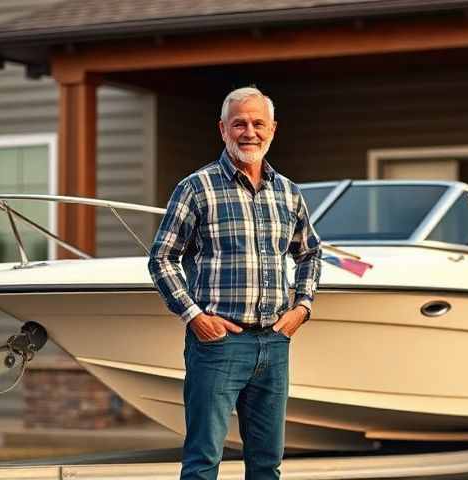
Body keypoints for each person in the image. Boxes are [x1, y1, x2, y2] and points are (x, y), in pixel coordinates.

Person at [148, 86, 322, 480]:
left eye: (258, 123)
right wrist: (194, 317)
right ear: (222, 129)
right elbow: (161, 258)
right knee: (202, 463)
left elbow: (309, 252)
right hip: (217, 345)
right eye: (239, 123)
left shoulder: (289, 193)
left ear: (273, 129)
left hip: (274, 345)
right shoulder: (196, 188)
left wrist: (302, 307)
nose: (249, 132)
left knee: (266, 465)